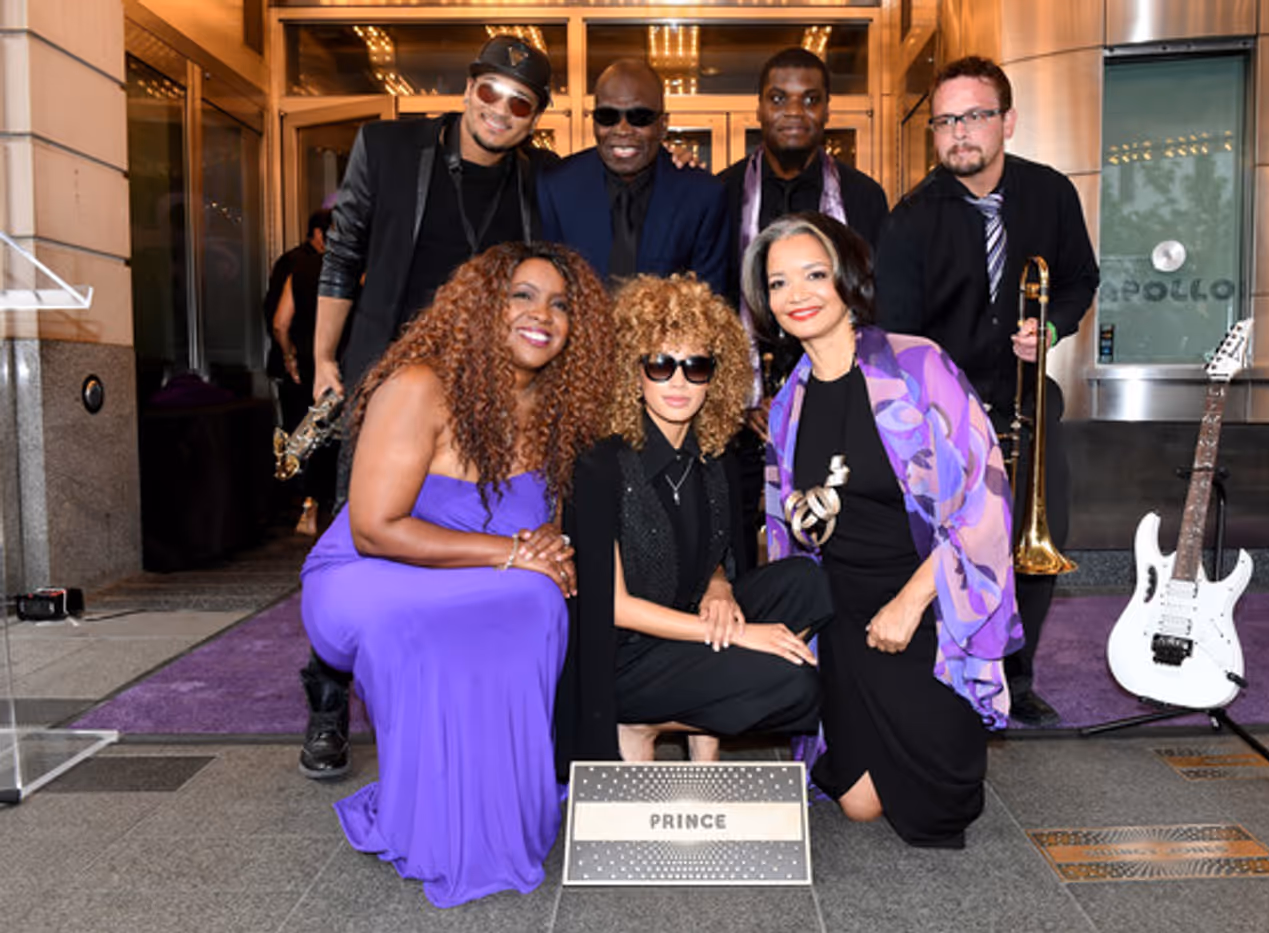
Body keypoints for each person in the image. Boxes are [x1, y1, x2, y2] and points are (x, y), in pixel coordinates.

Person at [299, 241, 614, 907]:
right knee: (428, 622)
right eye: (522, 295)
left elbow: (543, 517)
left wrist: (546, 545)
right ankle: (435, 822)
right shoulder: (421, 385)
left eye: (561, 304)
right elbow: (374, 527)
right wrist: (509, 552)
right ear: (480, 307)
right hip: (370, 573)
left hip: (481, 569)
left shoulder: (561, 405)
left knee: (537, 600)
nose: (544, 314)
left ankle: (501, 810)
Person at [301, 35, 557, 779]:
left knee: (454, 534)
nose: (498, 112)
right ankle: (327, 703)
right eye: (488, 92)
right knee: (361, 528)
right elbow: (343, 253)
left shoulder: (534, 183)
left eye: (519, 104)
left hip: (482, 388)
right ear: (467, 86)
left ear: (534, 117)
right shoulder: (388, 147)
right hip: (388, 377)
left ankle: (438, 692)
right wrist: (324, 360)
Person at [744, 212, 1021, 847]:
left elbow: (986, 500)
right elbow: (790, 528)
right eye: (779, 282)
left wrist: (910, 602)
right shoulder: (789, 401)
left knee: (939, 814)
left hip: (924, 604)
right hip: (841, 615)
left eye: (815, 274)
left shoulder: (916, 366)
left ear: (848, 277)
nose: (799, 294)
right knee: (860, 806)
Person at [875, 56, 1099, 727]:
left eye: (973, 116)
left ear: (1007, 120)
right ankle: (955, 663)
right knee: (954, 543)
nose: (958, 133)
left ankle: (1016, 676)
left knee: (1035, 546)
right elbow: (900, 335)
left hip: (1030, 400)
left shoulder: (1052, 194)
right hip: (949, 413)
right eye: (945, 121)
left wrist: (1052, 325)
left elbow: (1079, 280)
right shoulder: (909, 219)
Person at [555, 274, 828, 776]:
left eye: (695, 365)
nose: (678, 382)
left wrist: (719, 586)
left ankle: (702, 741)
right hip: (626, 657)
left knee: (809, 583)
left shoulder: (716, 454)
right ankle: (637, 721)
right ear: (631, 371)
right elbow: (613, 608)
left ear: (715, 375)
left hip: (686, 621)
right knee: (791, 682)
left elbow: (715, 552)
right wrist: (738, 635)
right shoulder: (599, 464)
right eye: (660, 364)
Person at [717, 47, 889, 568]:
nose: (794, 111)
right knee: (743, 537)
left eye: (810, 99)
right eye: (779, 98)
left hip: (838, 395)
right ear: (759, 109)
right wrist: (743, 396)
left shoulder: (864, 197)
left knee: (838, 527)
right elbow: (715, 300)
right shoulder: (720, 193)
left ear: (828, 110)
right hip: (743, 406)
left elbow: (872, 302)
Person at [537, 60, 729, 296]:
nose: (623, 129)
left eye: (639, 117)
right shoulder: (557, 188)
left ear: (663, 124)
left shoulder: (702, 195)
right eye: (607, 116)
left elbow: (710, 301)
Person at [269, 209, 335, 530]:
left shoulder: (298, 269)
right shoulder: (351, 271)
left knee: (306, 434)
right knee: (334, 442)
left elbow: (280, 323)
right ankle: (325, 509)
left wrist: (290, 356)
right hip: (339, 366)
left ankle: (307, 508)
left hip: (307, 367)